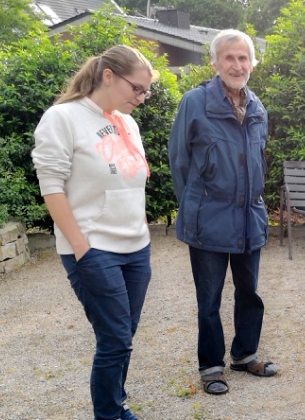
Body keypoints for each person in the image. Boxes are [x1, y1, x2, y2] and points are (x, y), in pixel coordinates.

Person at [32, 45, 157, 420]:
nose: (142, 97)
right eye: (137, 88)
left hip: (136, 248)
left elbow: (129, 183)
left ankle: (116, 405)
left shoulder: (127, 122)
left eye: (146, 91)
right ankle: (109, 414)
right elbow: (51, 187)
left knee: (123, 340)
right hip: (93, 248)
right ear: (108, 76)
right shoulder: (62, 118)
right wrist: (81, 248)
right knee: (115, 340)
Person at [168, 29, 276, 396]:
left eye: (243, 58)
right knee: (209, 300)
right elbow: (179, 163)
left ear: (252, 64)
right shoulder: (194, 102)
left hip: (250, 217)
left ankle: (244, 355)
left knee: (250, 293)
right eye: (229, 57)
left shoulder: (257, 107)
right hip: (208, 220)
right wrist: (197, 206)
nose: (237, 64)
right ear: (215, 63)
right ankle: (211, 366)